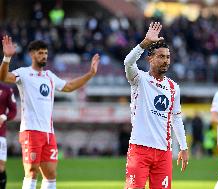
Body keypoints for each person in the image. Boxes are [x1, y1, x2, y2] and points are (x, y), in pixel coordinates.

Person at [0, 35, 100, 189]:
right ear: (31, 54)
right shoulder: (24, 73)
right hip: (31, 131)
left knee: (51, 173)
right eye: (40, 53)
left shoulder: (49, 76)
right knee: (32, 172)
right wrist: (7, 58)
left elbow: (69, 86)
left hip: (48, 133)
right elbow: (4, 77)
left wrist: (90, 74)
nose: (44, 56)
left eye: (45, 53)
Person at [124, 22, 188, 189]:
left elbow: (176, 117)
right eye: (161, 56)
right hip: (139, 149)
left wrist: (183, 146)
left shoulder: (174, 87)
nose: (165, 61)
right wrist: (145, 43)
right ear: (149, 58)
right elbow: (128, 63)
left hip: (163, 152)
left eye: (167, 57)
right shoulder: (139, 79)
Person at [0, 83, 17, 189]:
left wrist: (4, 117)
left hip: (0, 133)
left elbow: (13, 110)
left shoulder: (6, 89)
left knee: (0, 167)